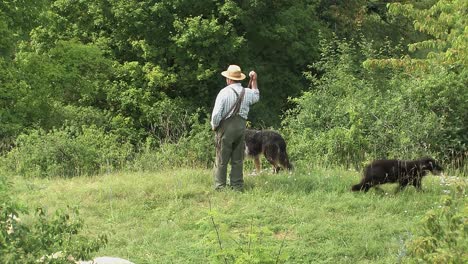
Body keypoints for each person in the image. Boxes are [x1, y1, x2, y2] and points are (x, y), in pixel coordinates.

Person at [211, 65, 259, 191]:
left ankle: (220, 186)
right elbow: (256, 96)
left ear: (229, 79)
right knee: (237, 159)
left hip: (226, 128)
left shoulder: (224, 92)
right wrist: (254, 81)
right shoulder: (247, 92)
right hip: (241, 128)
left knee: (222, 158)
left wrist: (214, 125)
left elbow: (216, 114)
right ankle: (237, 186)